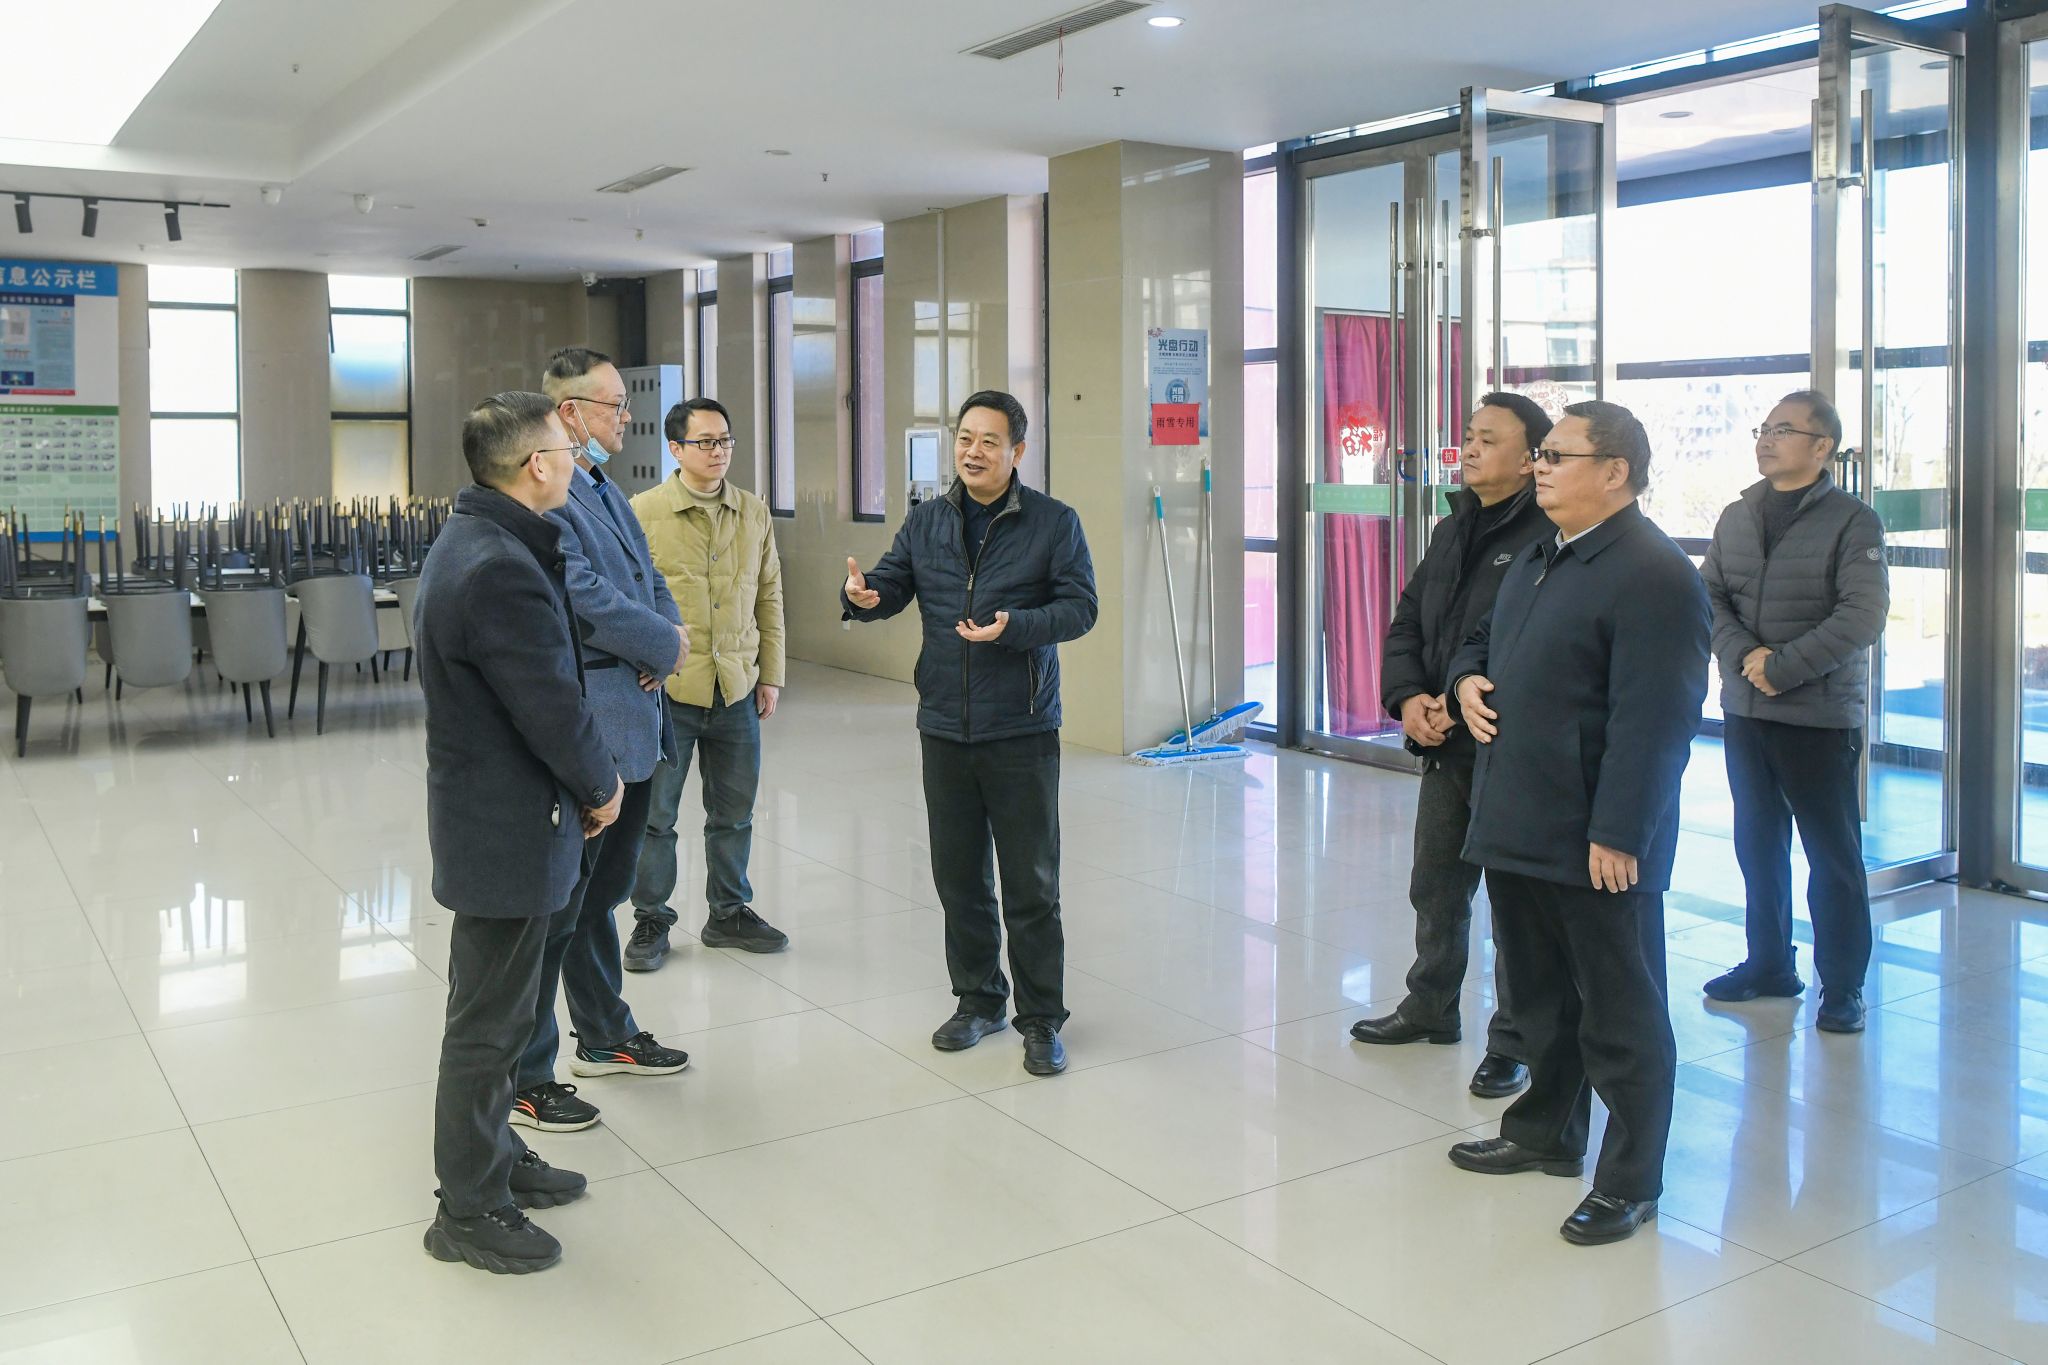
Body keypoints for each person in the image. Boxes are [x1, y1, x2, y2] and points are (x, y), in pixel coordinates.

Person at [1443, 401, 1709, 1247]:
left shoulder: (1655, 573)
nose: (1540, 467)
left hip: (1596, 838)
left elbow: (1656, 721)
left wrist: (1620, 831)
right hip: (1518, 817)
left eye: (1559, 455)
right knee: (1540, 999)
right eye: (1543, 454)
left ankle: (1630, 1180)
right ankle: (1545, 1132)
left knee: (1620, 1014)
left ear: (1616, 472)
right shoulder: (1540, 553)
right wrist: (1465, 680)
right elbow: (1477, 638)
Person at [416, 391, 623, 1274]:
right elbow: (550, 707)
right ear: (536, 464)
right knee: (487, 1026)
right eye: (565, 449)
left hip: (500, 821)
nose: (575, 462)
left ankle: (496, 1157)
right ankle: (468, 1209)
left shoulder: (481, 538)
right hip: (508, 830)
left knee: (502, 1010)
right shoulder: (498, 565)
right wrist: (603, 783)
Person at [841, 390, 1097, 1077]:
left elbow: (1081, 607)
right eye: (964, 438)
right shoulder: (928, 519)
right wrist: (863, 597)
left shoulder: (1053, 522)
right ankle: (979, 999)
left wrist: (1018, 627)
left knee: (1031, 883)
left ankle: (1041, 1019)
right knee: (959, 878)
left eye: (989, 440)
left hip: (1021, 727)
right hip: (945, 725)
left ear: (1018, 451)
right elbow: (892, 583)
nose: (973, 451)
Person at [1349, 392, 1556, 1100]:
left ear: (1529, 459)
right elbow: (1409, 620)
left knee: (1515, 904)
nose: (1469, 448)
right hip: (1442, 738)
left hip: (1503, 742)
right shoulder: (1454, 526)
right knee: (1435, 884)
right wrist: (1410, 698)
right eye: (1468, 435)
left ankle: (1514, 1041)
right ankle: (1431, 1004)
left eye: (1488, 439)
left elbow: (1526, 646)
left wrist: (1460, 705)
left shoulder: (1546, 534)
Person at [509, 347, 692, 1136]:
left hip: (636, 713)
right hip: (596, 723)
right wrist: (659, 643)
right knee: (562, 908)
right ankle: (528, 1070)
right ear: (571, 414)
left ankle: (605, 1032)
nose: (626, 415)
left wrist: (664, 638)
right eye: (614, 404)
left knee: (600, 898)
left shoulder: (605, 488)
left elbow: (648, 577)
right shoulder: (551, 497)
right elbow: (580, 594)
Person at [1700, 391, 1887, 1033]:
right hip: (1747, 711)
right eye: (1764, 427)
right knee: (1758, 846)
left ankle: (1844, 986)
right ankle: (1770, 965)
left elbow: (1862, 615)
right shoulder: (1738, 514)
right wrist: (1745, 656)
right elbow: (1709, 596)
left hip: (1819, 717)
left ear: (1822, 446)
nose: (1767, 439)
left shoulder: (1852, 521)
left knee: (1833, 857)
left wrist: (1781, 667)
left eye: (1784, 430)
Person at [625, 397, 788, 967]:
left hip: (736, 687)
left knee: (734, 815)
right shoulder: (643, 512)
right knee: (656, 819)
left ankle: (729, 913)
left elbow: (769, 595)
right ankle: (651, 920)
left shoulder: (753, 512)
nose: (718, 451)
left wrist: (771, 674)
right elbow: (625, 599)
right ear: (675, 448)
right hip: (669, 692)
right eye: (705, 442)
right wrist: (641, 657)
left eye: (725, 441)